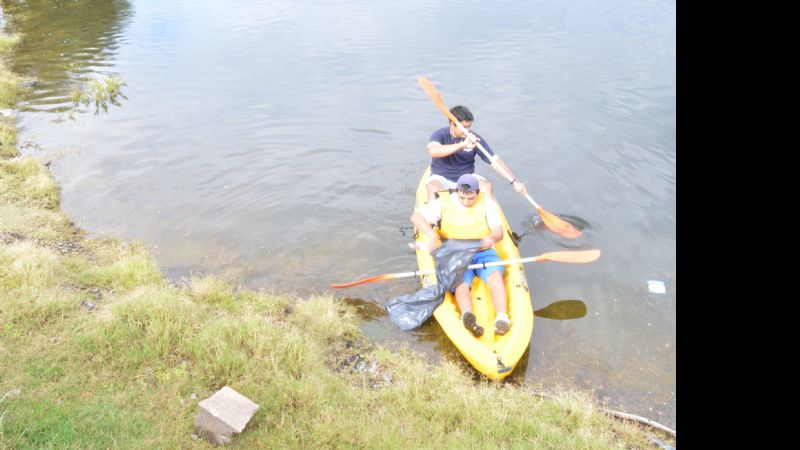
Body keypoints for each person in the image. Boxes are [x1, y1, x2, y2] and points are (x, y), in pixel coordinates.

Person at [410, 173, 510, 337]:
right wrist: (431, 234)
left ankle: (502, 318)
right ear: (457, 192)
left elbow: (499, 232)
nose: (466, 202)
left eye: (471, 198)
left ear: (477, 193)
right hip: (456, 253)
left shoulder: (487, 204)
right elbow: (416, 217)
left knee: (495, 278)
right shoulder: (443, 203)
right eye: (463, 197)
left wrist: (491, 238)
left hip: (482, 252)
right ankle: (467, 315)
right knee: (461, 284)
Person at [425, 105, 528, 203]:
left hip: (466, 177)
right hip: (442, 177)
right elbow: (433, 151)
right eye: (464, 127)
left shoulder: (475, 139)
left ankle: (490, 218)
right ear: (453, 125)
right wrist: (461, 145)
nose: (467, 131)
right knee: (433, 188)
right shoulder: (440, 134)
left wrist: (514, 181)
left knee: (487, 187)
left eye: (469, 127)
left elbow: (494, 161)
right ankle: (432, 219)